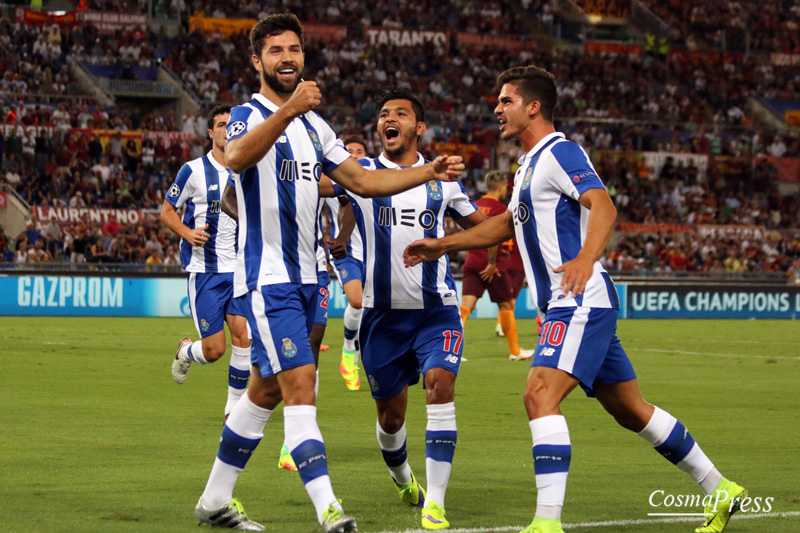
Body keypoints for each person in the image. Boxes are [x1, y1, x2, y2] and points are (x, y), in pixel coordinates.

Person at [404, 65, 746, 533]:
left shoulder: (560, 152)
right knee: (631, 410)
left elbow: (603, 203)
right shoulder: (527, 166)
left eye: (506, 101)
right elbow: (507, 224)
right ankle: (720, 488)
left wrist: (586, 257)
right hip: (570, 304)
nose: (496, 109)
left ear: (533, 106)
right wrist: (442, 244)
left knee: (539, 394)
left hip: (578, 299)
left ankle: (547, 523)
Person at [194, 14, 464, 533]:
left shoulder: (317, 128)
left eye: (294, 49)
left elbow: (363, 180)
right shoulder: (247, 116)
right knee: (301, 385)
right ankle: (330, 511)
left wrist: (427, 172)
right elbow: (236, 157)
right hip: (267, 279)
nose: (287, 57)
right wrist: (289, 109)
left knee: (266, 392)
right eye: (275, 51)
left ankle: (213, 500)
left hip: (307, 279)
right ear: (258, 61)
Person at [328, 87, 485, 531]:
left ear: (419, 127)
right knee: (390, 417)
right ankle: (403, 479)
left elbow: (486, 227)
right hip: (382, 319)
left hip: (436, 311)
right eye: (382, 114)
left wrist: (527, 215)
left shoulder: (444, 180)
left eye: (400, 113)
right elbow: (305, 185)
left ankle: (435, 502)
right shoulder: (358, 174)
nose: (388, 118)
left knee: (440, 385)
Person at [160, 104, 252, 419]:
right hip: (206, 273)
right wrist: (186, 232)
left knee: (244, 338)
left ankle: (233, 409)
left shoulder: (249, 169)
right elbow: (167, 210)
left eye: (232, 124)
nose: (227, 129)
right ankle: (186, 350)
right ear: (211, 132)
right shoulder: (193, 170)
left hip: (240, 271)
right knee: (215, 351)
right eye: (221, 124)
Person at [460, 170, 534, 361]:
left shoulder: (475, 205)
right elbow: (493, 238)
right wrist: (493, 263)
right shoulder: (500, 208)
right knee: (507, 305)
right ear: (501, 187)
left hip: (472, 261)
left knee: (466, 306)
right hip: (491, 265)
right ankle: (515, 352)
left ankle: (451, 350)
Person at [326, 134, 369, 390]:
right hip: (347, 252)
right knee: (357, 301)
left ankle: (365, 354)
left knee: (372, 311)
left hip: (377, 254)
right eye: (348, 150)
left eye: (359, 151)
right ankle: (347, 351)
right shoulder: (331, 180)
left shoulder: (377, 177)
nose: (353, 155)